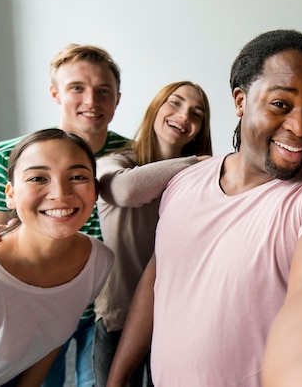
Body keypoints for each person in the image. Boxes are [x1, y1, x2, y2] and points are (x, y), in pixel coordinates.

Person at [107, 29, 302, 387]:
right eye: (281, 105)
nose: (300, 128)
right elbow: (158, 278)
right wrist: (117, 378)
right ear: (240, 101)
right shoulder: (185, 181)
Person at [0, 44, 130, 386]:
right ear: (55, 94)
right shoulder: (8, 156)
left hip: (99, 302)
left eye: (103, 91)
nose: (91, 101)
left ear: (117, 98)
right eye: (77, 88)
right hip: (26, 312)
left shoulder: (133, 156)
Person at [0, 129, 114, 387]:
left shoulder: (98, 261)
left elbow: (49, 341)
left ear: (95, 191)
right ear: (10, 194)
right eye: (37, 178)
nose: (60, 193)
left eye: (77, 176)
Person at [93, 81, 212, 386]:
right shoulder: (114, 163)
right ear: (155, 108)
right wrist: (196, 163)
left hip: (174, 318)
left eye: (196, 113)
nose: (184, 115)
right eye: (175, 103)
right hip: (119, 315)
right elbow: (126, 190)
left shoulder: (199, 182)